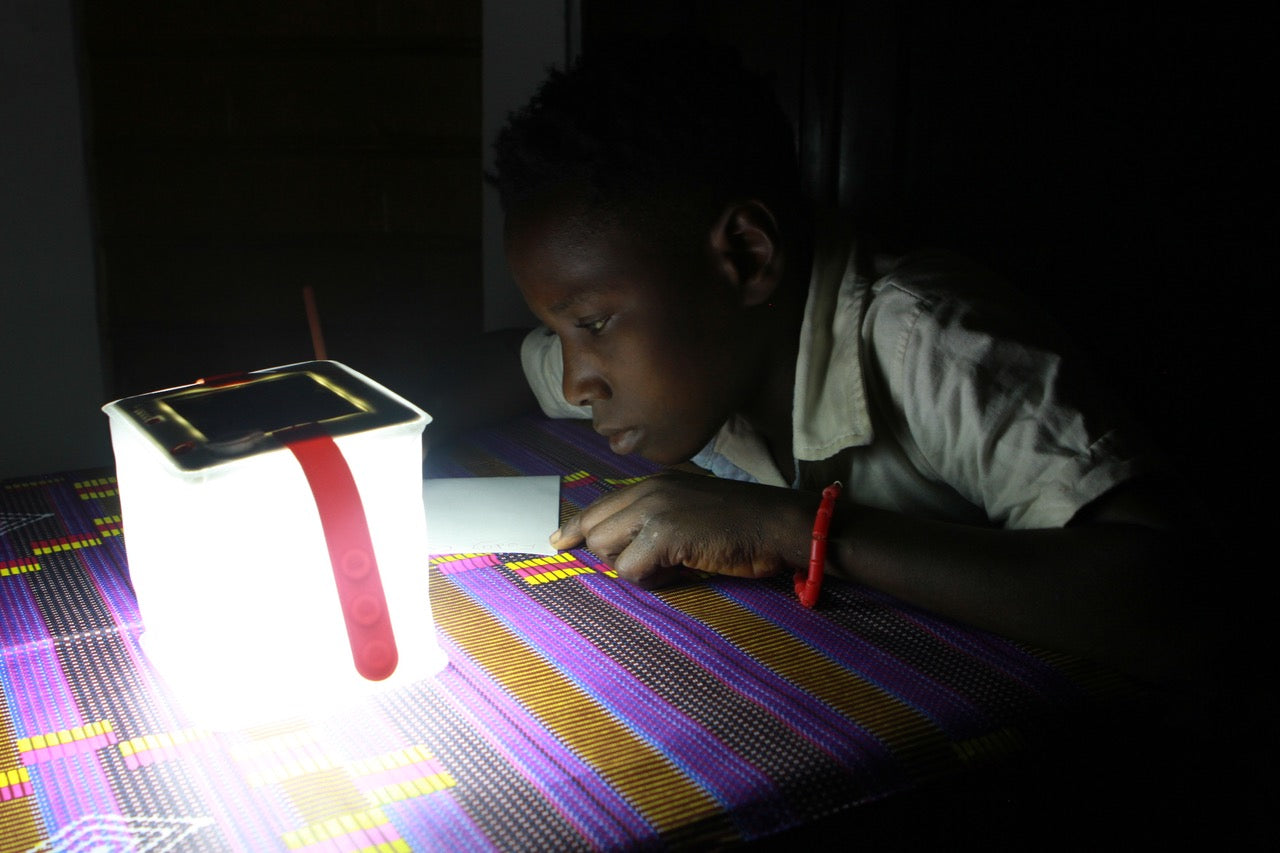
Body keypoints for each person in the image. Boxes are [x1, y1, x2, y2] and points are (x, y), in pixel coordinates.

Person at [426, 39, 1209, 688]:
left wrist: (793, 528)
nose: (574, 380)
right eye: (561, 331)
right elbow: (505, 365)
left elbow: (1165, 593)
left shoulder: (929, 341)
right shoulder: (698, 345)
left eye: (592, 324)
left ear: (744, 256)